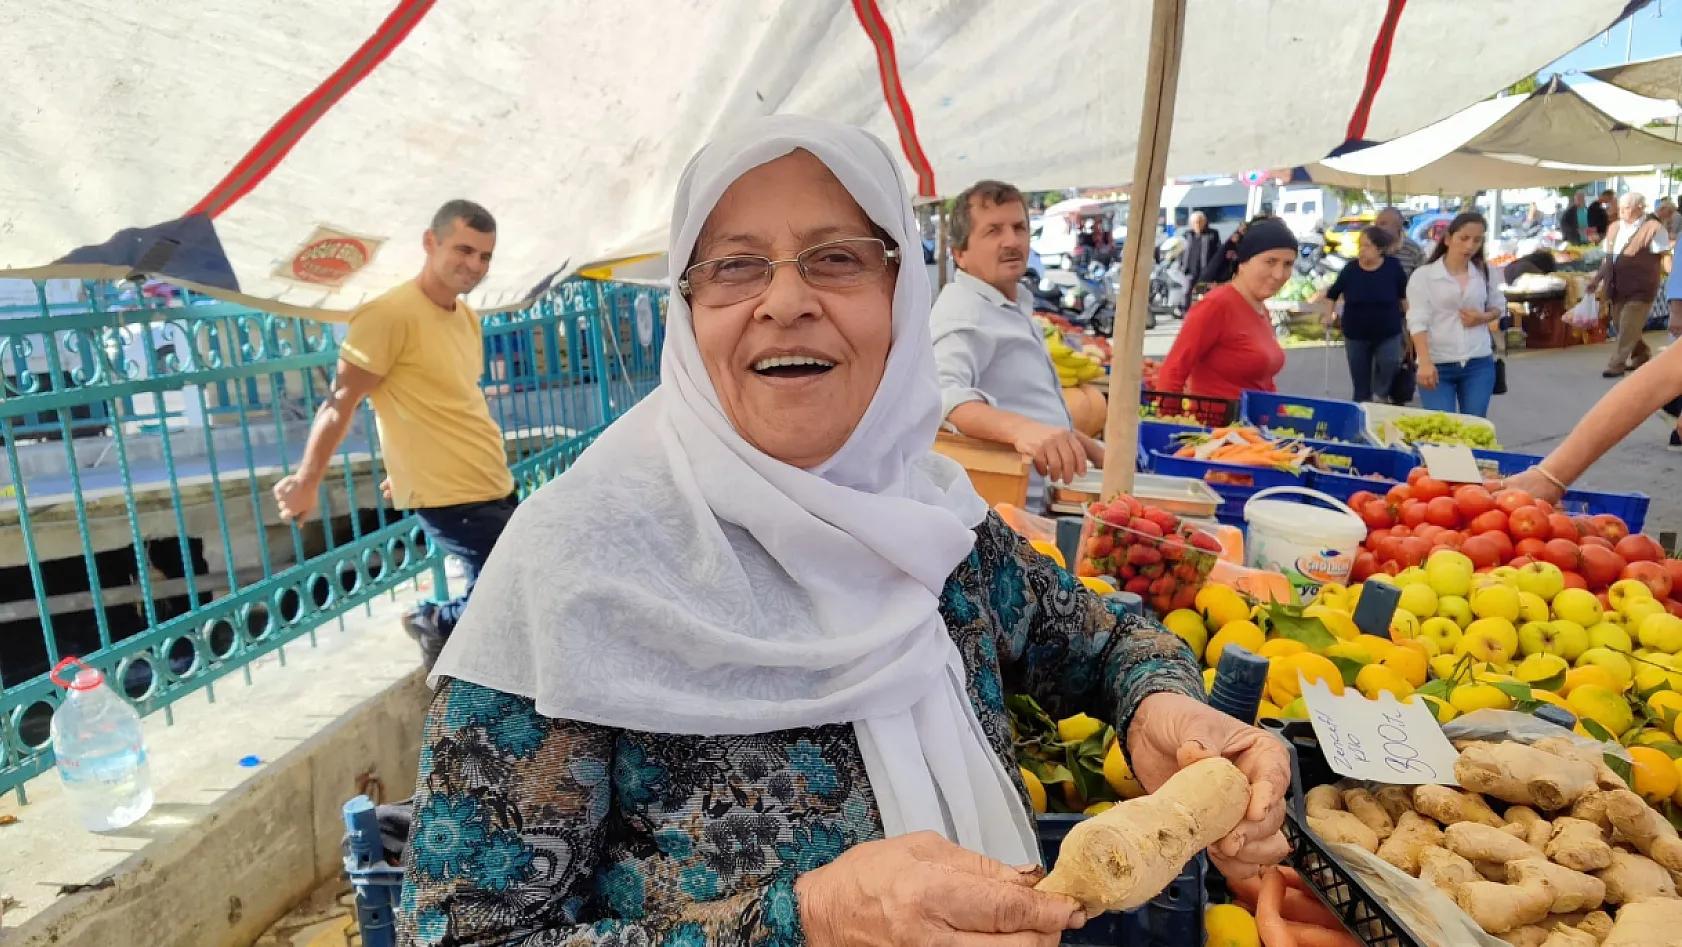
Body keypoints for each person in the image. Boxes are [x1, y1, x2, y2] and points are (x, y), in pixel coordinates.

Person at [394, 117, 1291, 946]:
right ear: (687, 307)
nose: (785, 300)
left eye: (837, 258)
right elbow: (465, 931)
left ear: (903, 298)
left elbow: (1100, 643)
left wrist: (1155, 701)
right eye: (735, 266)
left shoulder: (934, 520)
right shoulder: (574, 565)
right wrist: (801, 922)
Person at [271, 200, 514, 668]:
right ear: (430, 242)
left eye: (485, 256)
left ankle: (460, 656)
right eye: (463, 250)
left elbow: (440, 400)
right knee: (508, 593)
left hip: (491, 479)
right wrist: (306, 481)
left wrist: (401, 463)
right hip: (449, 495)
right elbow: (341, 402)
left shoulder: (466, 318)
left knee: (515, 586)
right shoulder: (387, 315)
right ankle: (434, 622)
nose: (474, 265)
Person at [931, 180, 1103, 501]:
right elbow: (942, 396)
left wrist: (1084, 444)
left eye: (1019, 227)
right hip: (1012, 510)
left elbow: (1019, 403)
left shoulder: (1008, 303)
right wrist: (1023, 431)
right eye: (993, 231)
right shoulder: (963, 311)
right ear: (960, 254)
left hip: (1048, 497)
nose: (1011, 240)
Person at [1157, 217, 1294, 400]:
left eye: (1288, 264)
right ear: (1243, 263)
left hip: (1253, 426)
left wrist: (1282, 417)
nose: (1279, 274)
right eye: (1270, 261)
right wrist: (1168, 424)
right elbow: (1172, 372)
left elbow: (1263, 382)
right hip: (1216, 426)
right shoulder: (1216, 305)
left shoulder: (1261, 309)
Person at [1406, 212, 1503, 418]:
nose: (1470, 246)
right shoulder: (1424, 276)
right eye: (1464, 238)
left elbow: (1498, 306)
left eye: (1477, 240)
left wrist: (1482, 317)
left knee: (1474, 426)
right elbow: (1417, 320)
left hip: (1478, 360)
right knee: (1443, 429)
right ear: (1448, 239)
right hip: (1437, 362)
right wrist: (1424, 361)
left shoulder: (1485, 272)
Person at [1323, 226, 1409, 403]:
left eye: (1367, 246)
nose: (1362, 250)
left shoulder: (1393, 267)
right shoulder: (1351, 269)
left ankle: (1381, 392)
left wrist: (1412, 320)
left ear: (1379, 249)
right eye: (1360, 245)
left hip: (1388, 331)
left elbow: (1403, 296)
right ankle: (1362, 409)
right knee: (1360, 380)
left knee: (1389, 363)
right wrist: (1328, 315)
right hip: (1356, 333)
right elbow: (1332, 294)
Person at [1590, 192, 1668, 378]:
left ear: (1640, 208)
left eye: (1627, 208)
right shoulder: (1614, 227)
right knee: (1621, 324)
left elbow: (1665, 256)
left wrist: (1674, 277)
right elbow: (1608, 259)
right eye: (1620, 207)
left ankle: (1616, 364)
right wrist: (1596, 280)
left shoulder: (1654, 228)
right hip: (1617, 287)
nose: (1620, 211)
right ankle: (1641, 354)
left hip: (1641, 288)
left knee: (1627, 325)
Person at [1180, 210, 1223, 289]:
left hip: (1205, 272)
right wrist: (1182, 265)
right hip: (1190, 272)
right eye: (1195, 222)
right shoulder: (1187, 235)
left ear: (1204, 222)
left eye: (1200, 222)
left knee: (1204, 294)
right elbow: (1182, 251)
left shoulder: (1212, 235)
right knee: (1186, 292)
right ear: (1191, 224)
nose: (1197, 225)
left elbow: (1218, 252)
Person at [1375, 207, 1424, 277]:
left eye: (1383, 223)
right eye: (1376, 224)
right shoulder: (1371, 247)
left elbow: (1423, 279)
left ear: (1398, 225)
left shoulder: (1413, 250)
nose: (1378, 228)